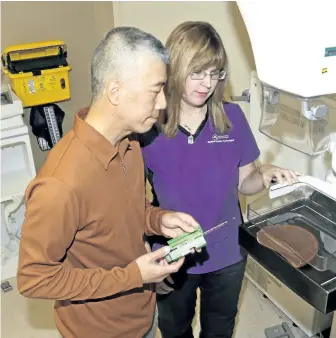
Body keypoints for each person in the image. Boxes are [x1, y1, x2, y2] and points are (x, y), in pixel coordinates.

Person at [16, 26, 200, 338]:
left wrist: (158, 219)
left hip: (143, 310)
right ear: (115, 91)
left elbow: (121, 213)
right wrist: (132, 276)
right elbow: (34, 279)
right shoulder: (60, 185)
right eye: (155, 91)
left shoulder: (130, 143)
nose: (163, 105)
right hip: (99, 330)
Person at [140, 21, 299, 338]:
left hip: (227, 254)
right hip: (173, 255)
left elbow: (245, 182)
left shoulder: (231, 118)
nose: (206, 84)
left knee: (219, 329)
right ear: (175, 68)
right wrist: (147, 259)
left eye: (215, 74)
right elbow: (133, 205)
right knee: (174, 329)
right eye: (197, 73)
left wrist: (262, 175)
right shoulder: (148, 127)